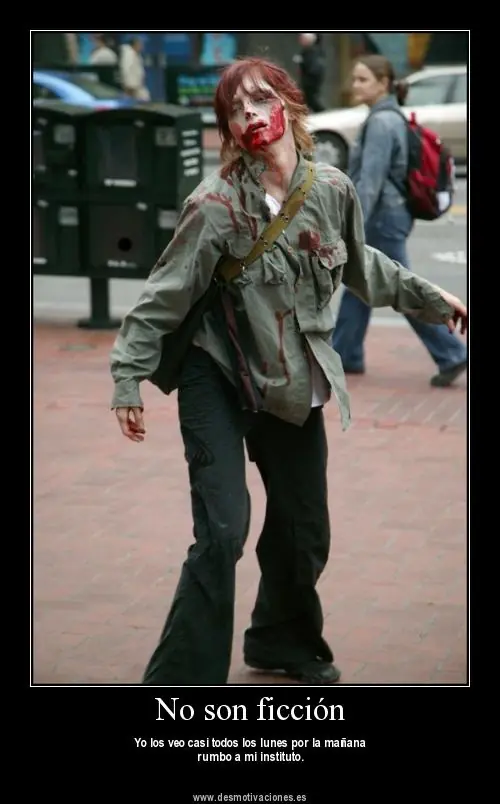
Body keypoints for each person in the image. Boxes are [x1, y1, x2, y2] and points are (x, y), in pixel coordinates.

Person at [109, 56, 467, 686]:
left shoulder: (330, 189)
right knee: (223, 532)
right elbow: (163, 295)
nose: (250, 114)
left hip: (291, 376)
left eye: (260, 100)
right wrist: (127, 376)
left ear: (289, 106)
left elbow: (363, 265)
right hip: (218, 372)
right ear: (228, 129)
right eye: (235, 110)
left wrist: (434, 300)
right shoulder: (214, 204)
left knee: (303, 528)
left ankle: (282, 641)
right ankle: (181, 681)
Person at [332, 55, 467, 386]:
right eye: (355, 78)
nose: (355, 85)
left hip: (382, 218)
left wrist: (351, 222)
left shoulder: (381, 122)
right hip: (391, 214)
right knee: (359, 282)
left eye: (363, 79)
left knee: (400, 289)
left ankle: (451, 353)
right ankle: (345, 353)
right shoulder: (388, 116)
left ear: (383, 83)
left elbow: (370, 181)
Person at [295, 33, 326, 113]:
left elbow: (314, 67)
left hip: (311, 78)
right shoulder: (305, 52)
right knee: (307, 98)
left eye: (303, 39)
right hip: (307, 78)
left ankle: (321, 111)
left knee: (311, 97)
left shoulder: (314, 52)